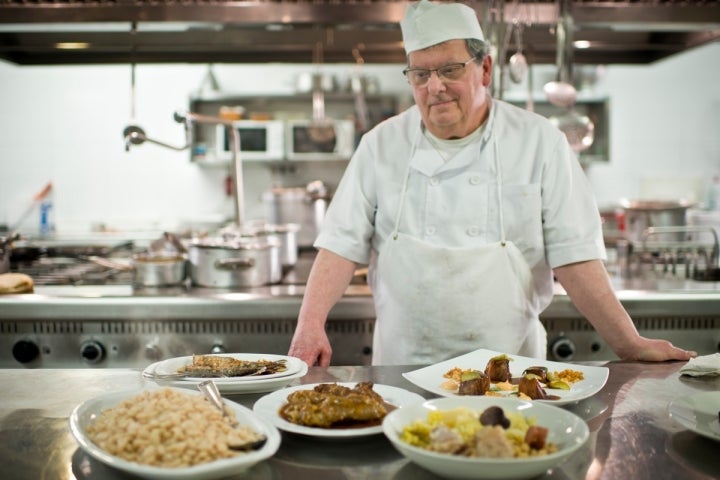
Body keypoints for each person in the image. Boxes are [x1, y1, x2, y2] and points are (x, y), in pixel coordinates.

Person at [288, 0, 697, 366]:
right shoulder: (380, 145)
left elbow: (575, 257)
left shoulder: (541, 143)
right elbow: (340, 246)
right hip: (404, 372)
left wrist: (628, 344)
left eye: (449, 69)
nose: (435, 87)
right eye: (420, 73)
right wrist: (309, 326)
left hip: (510, 373)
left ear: (484, 69)